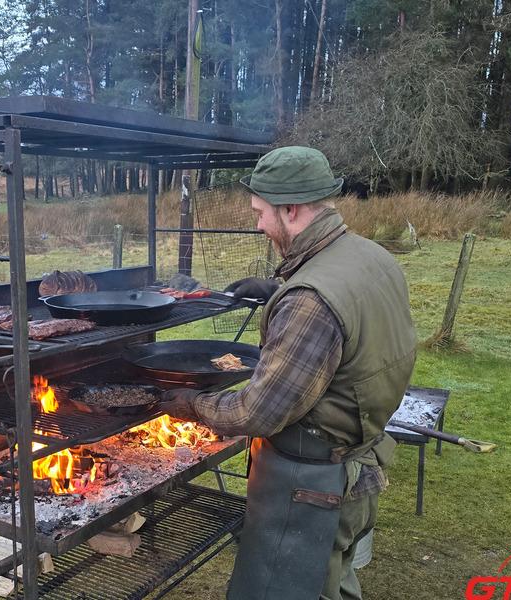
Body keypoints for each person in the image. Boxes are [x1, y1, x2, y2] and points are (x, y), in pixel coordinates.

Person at [160, 146, 417, 600]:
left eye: (261, 213)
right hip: (356, 461)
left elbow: (257, 413)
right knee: (331, 578)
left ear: (292, 209)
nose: (258, 224)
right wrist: (278, 289)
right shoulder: (369, 256)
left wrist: (189, 406)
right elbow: (345, 320)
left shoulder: (311, 301)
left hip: (309, 483)